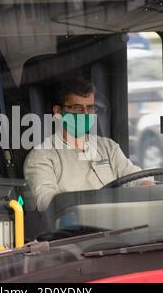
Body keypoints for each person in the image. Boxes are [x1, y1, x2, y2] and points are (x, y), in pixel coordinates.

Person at [24, 77, 154, 212]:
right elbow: (47, 200)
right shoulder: (41, 156)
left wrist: (148, 188)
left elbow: (134, 176)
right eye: (77, 108)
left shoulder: (108, 147)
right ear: (58, 112)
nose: (85, 114)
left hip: (118, 223)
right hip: (77, 230)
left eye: (90, 108)